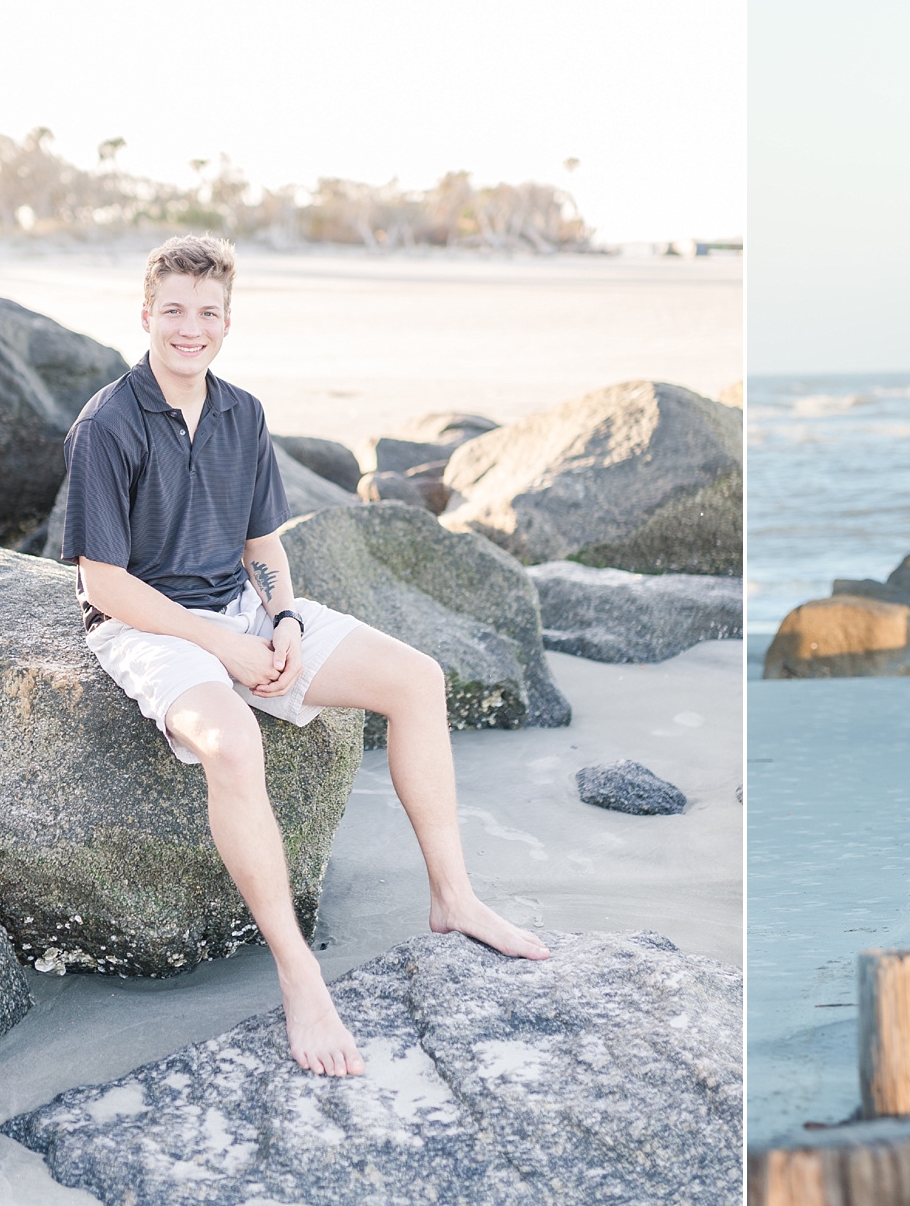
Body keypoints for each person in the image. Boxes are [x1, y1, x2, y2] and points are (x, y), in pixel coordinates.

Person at [60, 234, 546, 1080]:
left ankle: (453, 896)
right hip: (145, 624)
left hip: (244, 604)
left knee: (417, 679)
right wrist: (223, 648)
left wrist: (279, 620)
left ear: (226, 322)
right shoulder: (105, 424)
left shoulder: (243, 413)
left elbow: (266, 544)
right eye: (173, 310)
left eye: (207, 313)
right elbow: (103, 581)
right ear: (146, 315)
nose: (190, 328)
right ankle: (298, 969)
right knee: (233, 741)